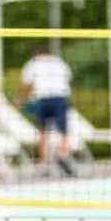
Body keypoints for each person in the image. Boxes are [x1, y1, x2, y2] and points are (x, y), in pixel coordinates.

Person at [20, 45, 76, 174]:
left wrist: (22, 99)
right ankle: (64, 154)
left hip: (42, 99)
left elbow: (26, 84)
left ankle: (44, 164)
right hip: (60, 98)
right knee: (63, 131)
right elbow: (68, 80)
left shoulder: (32, 64)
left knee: (43, 131)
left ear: (35, 54)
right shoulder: (59, 63)